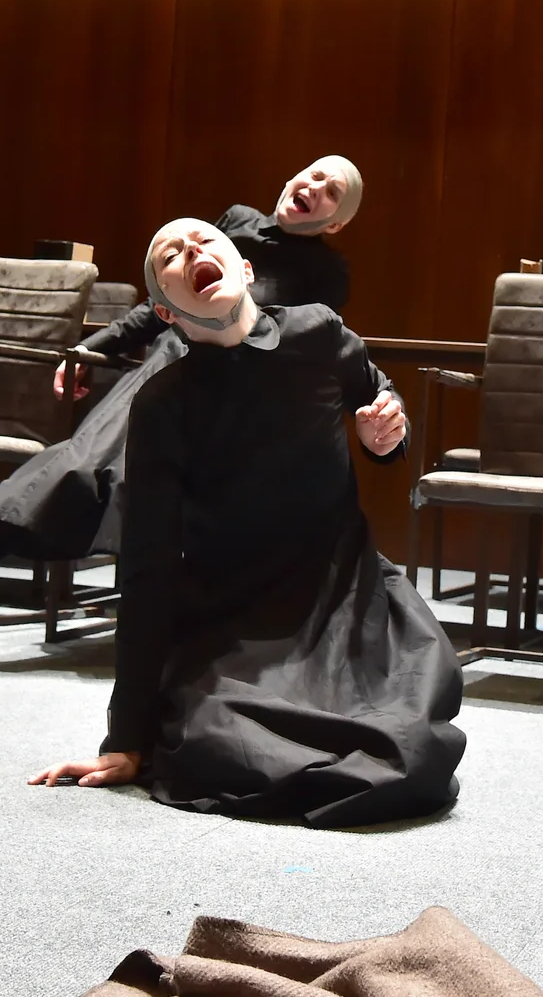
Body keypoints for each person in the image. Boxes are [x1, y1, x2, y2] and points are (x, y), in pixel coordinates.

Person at [0, 154, 365, 680]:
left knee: (181, 496)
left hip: (240, 396)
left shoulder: (327, 272)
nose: (315, 185)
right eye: (313, 174)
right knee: (65, 472)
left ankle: (180, 636)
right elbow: (158, 304)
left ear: (337, 221)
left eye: (332, 190)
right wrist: (91, 348)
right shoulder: (231, 223)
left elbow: (303, 344)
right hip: (167, 373)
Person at [29, 217, 463, 827]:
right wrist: (124, 738)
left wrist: (382, 437)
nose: (190, 250)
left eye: (204, 240)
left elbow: (379, 404)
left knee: (411, 740)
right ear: (166, 312)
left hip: (342, 593)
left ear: (247, 271)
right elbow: (148, 567)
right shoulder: (160, 404)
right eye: (169, 257)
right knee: (217, 743)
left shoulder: (320, 332)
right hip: (232, 612)